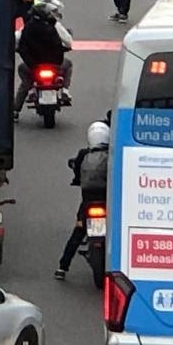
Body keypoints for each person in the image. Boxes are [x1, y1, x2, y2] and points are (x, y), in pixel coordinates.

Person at [55, 119, 111, 280]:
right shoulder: (113, 154)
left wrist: (77, 180)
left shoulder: (83, 154)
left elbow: (76, 173)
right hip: (107, 198)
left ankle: (62, 267)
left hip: (88, 200)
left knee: (79, 231)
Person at [14, 0, 72, 119]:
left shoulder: (27, 28)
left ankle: (17, 107)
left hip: (34, 66)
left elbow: (19, 43)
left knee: (23, 73)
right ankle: (65, 90)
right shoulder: (54, 26)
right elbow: (66, 42)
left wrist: (30, 63)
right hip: (55, 64)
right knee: (68, 65)